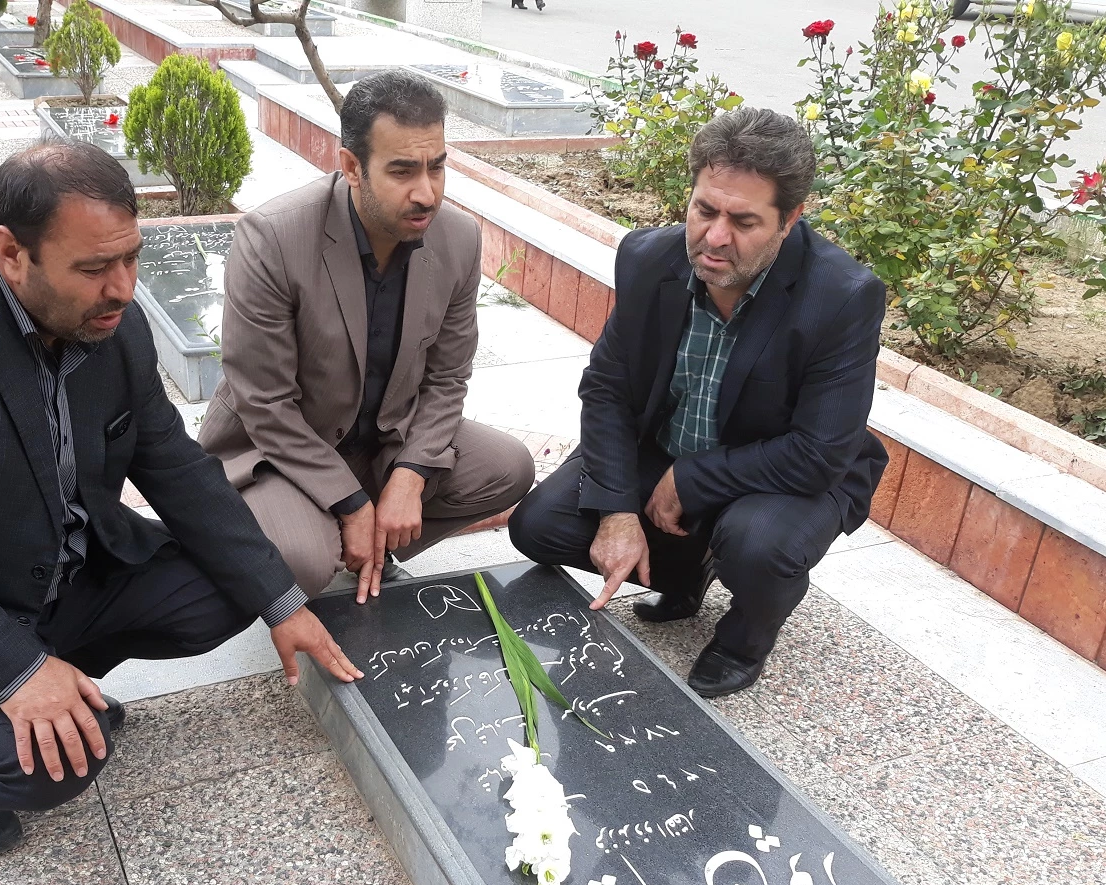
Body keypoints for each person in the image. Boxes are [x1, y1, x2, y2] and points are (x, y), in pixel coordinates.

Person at [0, 142, 361, 857]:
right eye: (94, 268)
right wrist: (16, 669)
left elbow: (174, 465)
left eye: (131, 258)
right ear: (11, 253)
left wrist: (282, 603)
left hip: (51, 571)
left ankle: (55, 677)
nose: (122, 288)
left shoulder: (113, 323)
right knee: (49, 766)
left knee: (228, 591)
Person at [508, 106, 887, 698]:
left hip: (783, 474)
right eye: (705, 210)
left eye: (744, 221)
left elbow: (820, 453)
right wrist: (617, 512)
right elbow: (607, 388)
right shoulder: (646, 259)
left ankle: (744, 638)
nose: (715, 237)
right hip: (667, 448)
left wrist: (691, 479)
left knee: (758, 548)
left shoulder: (842, 296)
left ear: (790, 219)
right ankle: (689, 572)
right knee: (539, 527)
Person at [199, 71, 535, 603]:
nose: (427, 193)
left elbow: (448, 377)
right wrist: (352, 504)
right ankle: (325, 536)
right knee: (302, 562)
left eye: (437, 166)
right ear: (352, 166)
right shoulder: (273, 237)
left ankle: (371, 550)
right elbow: (264, 403)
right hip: (281, 449)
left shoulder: (458, 238)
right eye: (402, 170)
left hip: (385, 439)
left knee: (508, 468)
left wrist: (412, 474)